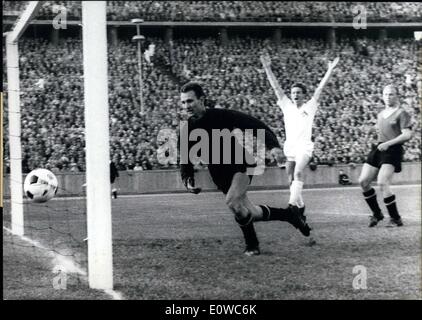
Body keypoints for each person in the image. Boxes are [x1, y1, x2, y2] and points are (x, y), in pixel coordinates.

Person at [178, 82, 311, 256]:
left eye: (190, 101)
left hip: (240, 164)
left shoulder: (220, 115)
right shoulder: (186, 129)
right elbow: (185, 158)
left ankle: (252, 245)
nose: (186, 106)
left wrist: (273, 146)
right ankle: (290, 215)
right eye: (183, 102)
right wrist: (188, 180)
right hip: (219, 174)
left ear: (201, 99)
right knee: (249, 212)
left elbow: (253, 124)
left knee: (233, 202)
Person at [261, 53, 339, 218]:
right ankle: (301, 206)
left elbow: (320, 89)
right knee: (291, 181)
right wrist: (267, 67)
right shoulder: (286, 105)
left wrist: (330, 70)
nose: (295, 95)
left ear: (303, 94)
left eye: (298, 93)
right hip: (290, 146)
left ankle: (291, 207)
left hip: (304, 147)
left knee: (297, 173)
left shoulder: (310, 106)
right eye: (293, 93)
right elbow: (276, 88)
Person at [358, 85, 413, 227]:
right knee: (363, 181)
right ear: (382, 96)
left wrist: (389, 143)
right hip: (379, 148)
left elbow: (407, 134)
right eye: (386, 94)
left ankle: (395, 218)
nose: (388, 97)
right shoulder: (380, 114)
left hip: (392, 150)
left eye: (391, 94)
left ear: (397, 96)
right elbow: (382, 131)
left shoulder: (402, 113)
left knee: (382, 182)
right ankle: (377, 214)